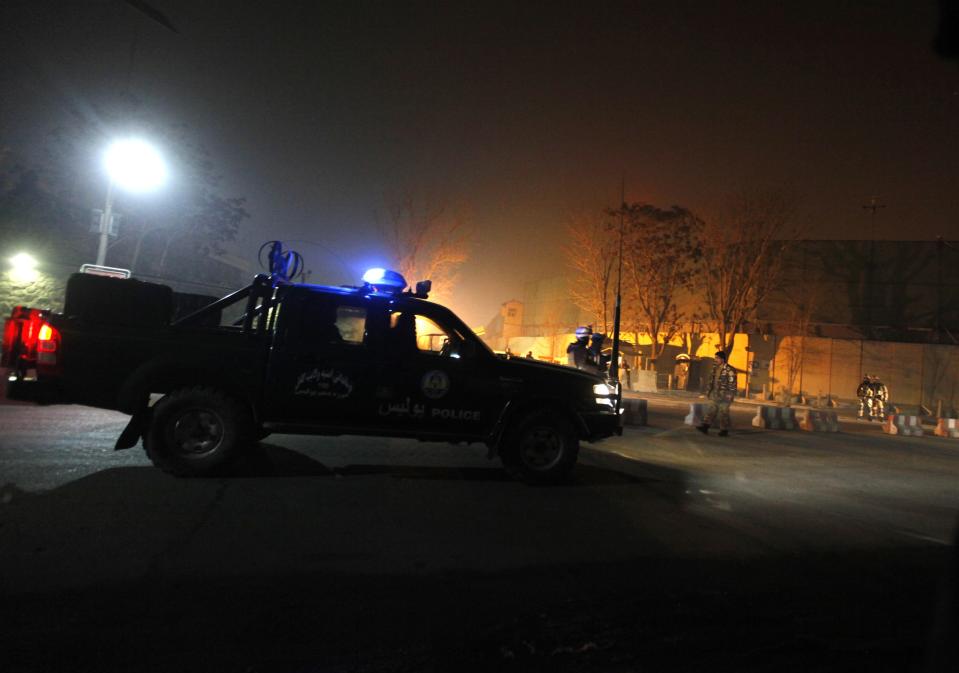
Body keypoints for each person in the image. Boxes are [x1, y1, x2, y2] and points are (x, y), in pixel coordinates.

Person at [696, 350, 737, 437]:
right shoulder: (715, 368)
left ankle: (724, 430)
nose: (715, 360)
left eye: (717, 358)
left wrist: (730, 395)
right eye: (715, 358)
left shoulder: (730, 370)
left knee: (723, 413)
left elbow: (732, 383)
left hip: (725, 395)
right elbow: (711, 381)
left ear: (722, 359)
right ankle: (705, 427)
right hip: (715, 394)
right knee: (711, 410)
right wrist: (708, 392)